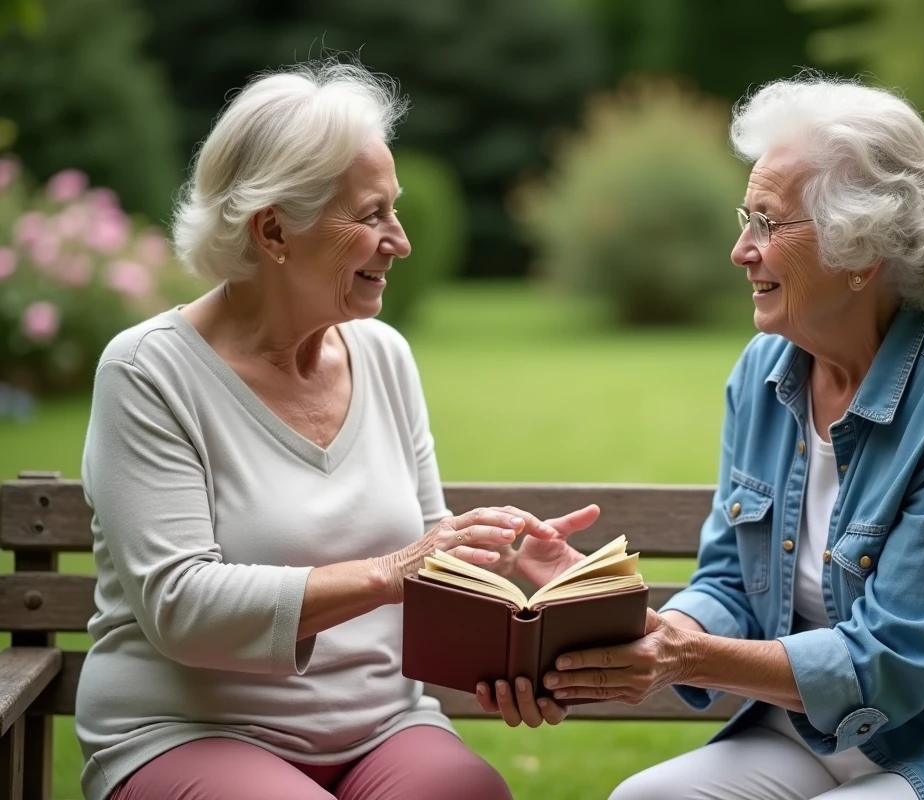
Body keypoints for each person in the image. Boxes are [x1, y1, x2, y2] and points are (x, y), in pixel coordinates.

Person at [483, 75, 924, 800]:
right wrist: (621, 616)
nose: (740, 251)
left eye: (767, 224)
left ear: (859, 252)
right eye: (745, 218)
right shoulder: (767, 371)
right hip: (811, 732)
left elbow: (888, 665)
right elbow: (726, 583)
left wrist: (682, 657)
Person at [74, 59, 588, 800]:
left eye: (395, 210)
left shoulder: (383, 356)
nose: (401, 241)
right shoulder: (149, 372)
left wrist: (524, 613)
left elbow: (427, 558)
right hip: (188, 730)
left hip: (380, 725)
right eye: (372, 215)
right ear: (275, 229)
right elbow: (179, 606)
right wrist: (388, 572)